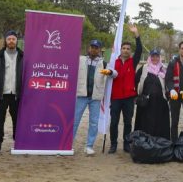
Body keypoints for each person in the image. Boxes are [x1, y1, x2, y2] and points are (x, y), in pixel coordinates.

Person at [0, 30, 24, 155]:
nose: (11, 41)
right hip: (1, 95)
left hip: (17, 95)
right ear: (5, 41)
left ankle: (17, 143)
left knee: (17, 120)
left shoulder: (23, 57)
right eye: (9, 39)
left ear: (16, 41)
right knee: (0, 120)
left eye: (13, 39)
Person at [73, 39, 111, 156]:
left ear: (100, 50)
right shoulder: (80, 59)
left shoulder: (104, 63)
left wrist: (110, 72)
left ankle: (89, 146)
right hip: (81, 95)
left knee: (94, 122)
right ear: (89, 48)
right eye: (92, 47)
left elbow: (115, 74)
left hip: (95, 97)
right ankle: (68, 143)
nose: (94, 49)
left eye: (96, 47)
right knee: (75, 120)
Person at [107, 25, 141, 154]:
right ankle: (113, 144)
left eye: (128, 49)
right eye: (124, 48)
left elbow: (140, 49)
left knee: (127, 122)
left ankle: (127, 144)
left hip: (128, 97)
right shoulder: (112, 62)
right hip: (115, 97)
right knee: (114, 122)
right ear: (120, 50)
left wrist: (136, 34)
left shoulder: (133, 61)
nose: (126, 50)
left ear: (130, 51)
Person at [134, 49, 170, 140]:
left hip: (160, 103)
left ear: (159, 57)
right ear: (149, 57)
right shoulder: (144, 68)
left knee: (159, 124)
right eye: (153, 56)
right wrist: (136, 95)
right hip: (145, 103)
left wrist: (168, 95)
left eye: (157, 56)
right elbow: (135, 80)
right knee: (145, 124)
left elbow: (169, 84)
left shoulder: (164, 69)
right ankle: (144, 145)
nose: (155, 58)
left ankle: (158, 145)